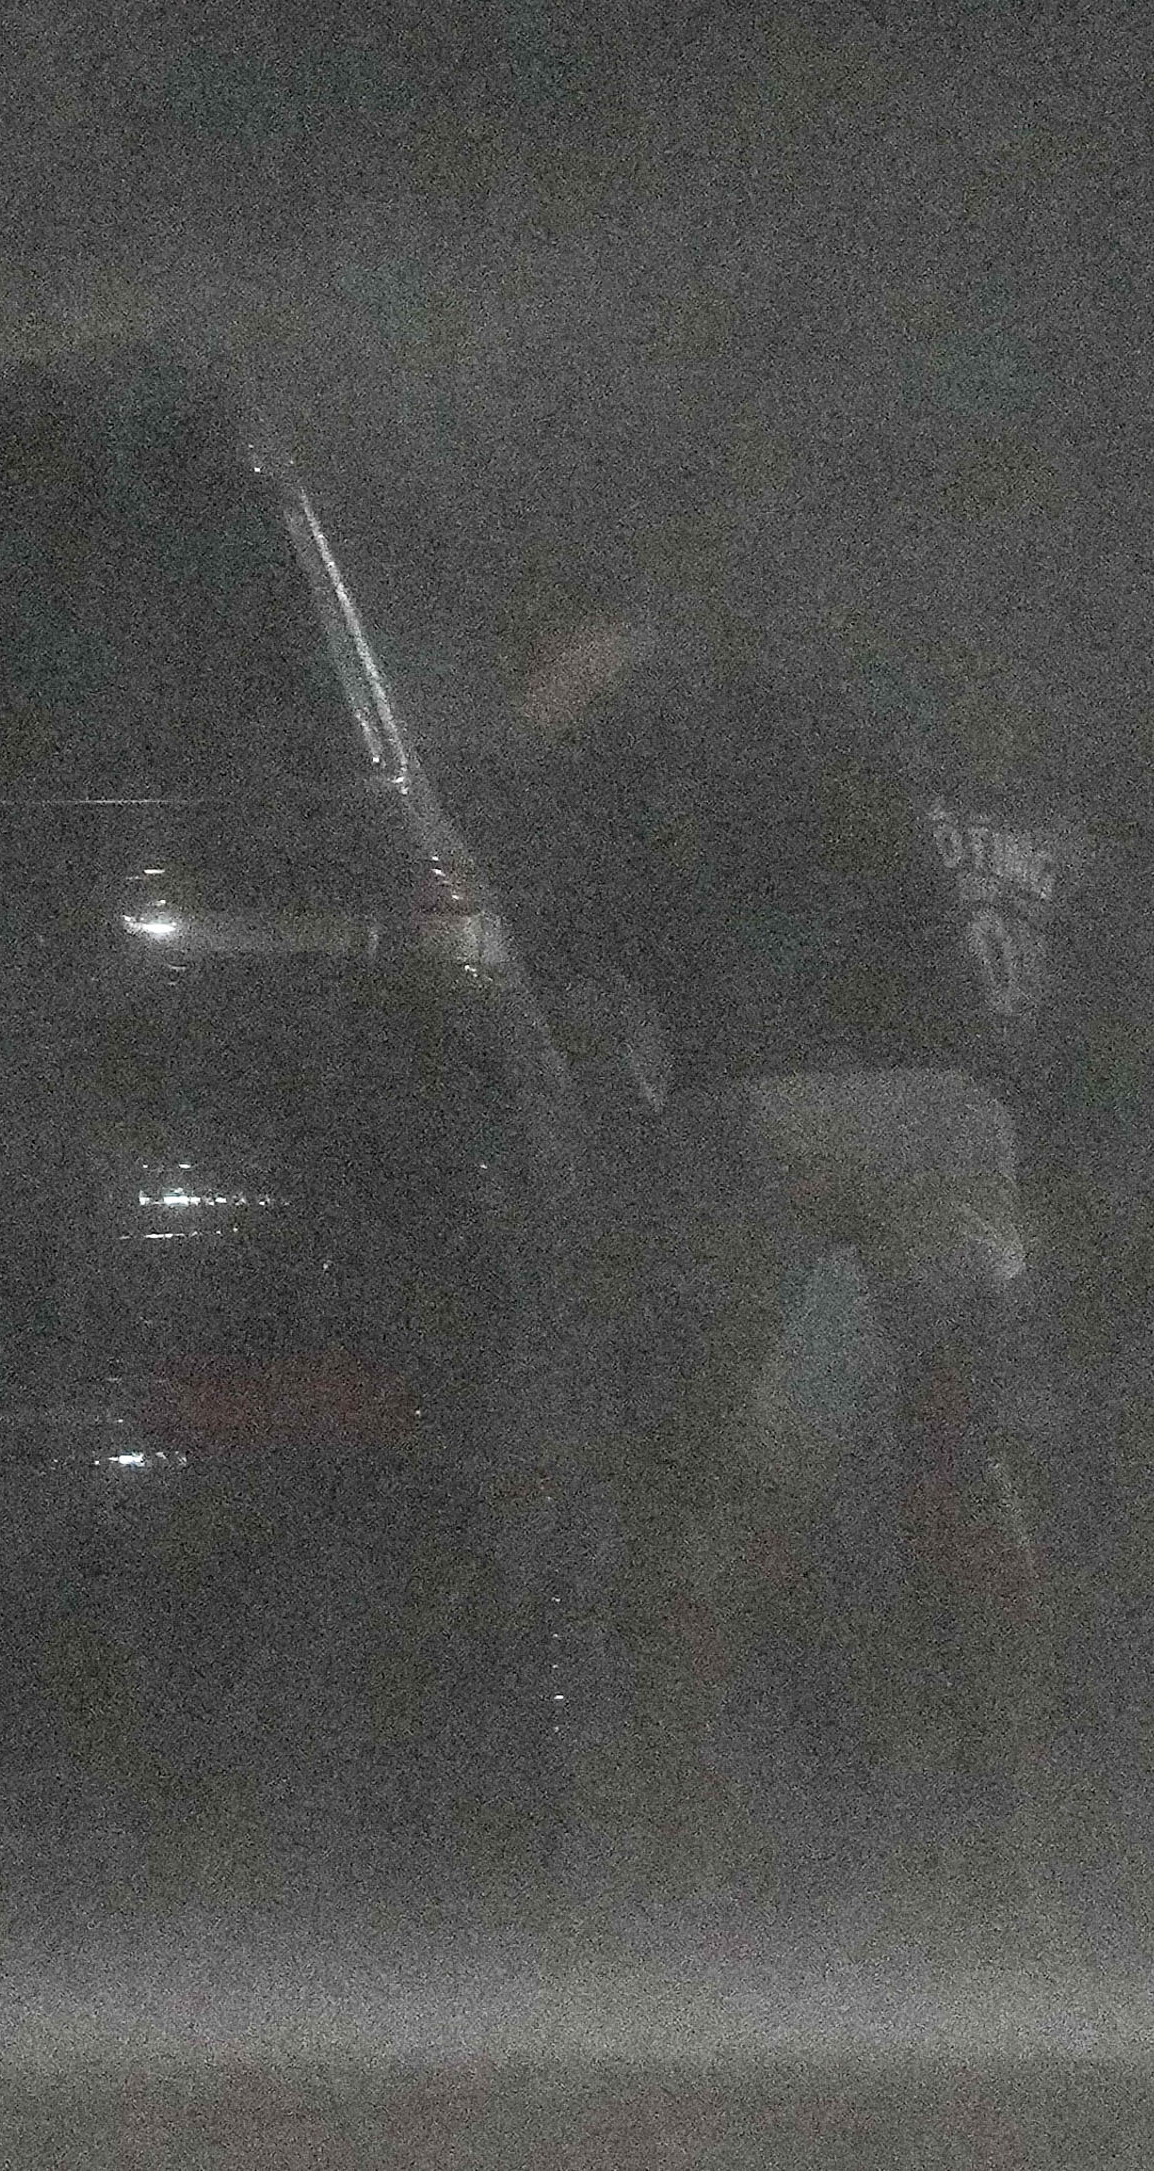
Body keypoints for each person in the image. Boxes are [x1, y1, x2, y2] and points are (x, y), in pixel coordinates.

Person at [470, 610, 1051, 1925]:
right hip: (938, 1101)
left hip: (757, 1112)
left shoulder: (626, 749)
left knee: (717, 1488)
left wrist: (529, 745)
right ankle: (1009, 1854)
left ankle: (687, 1850)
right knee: (962, 1471)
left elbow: (553, 939)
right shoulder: (847, 728)